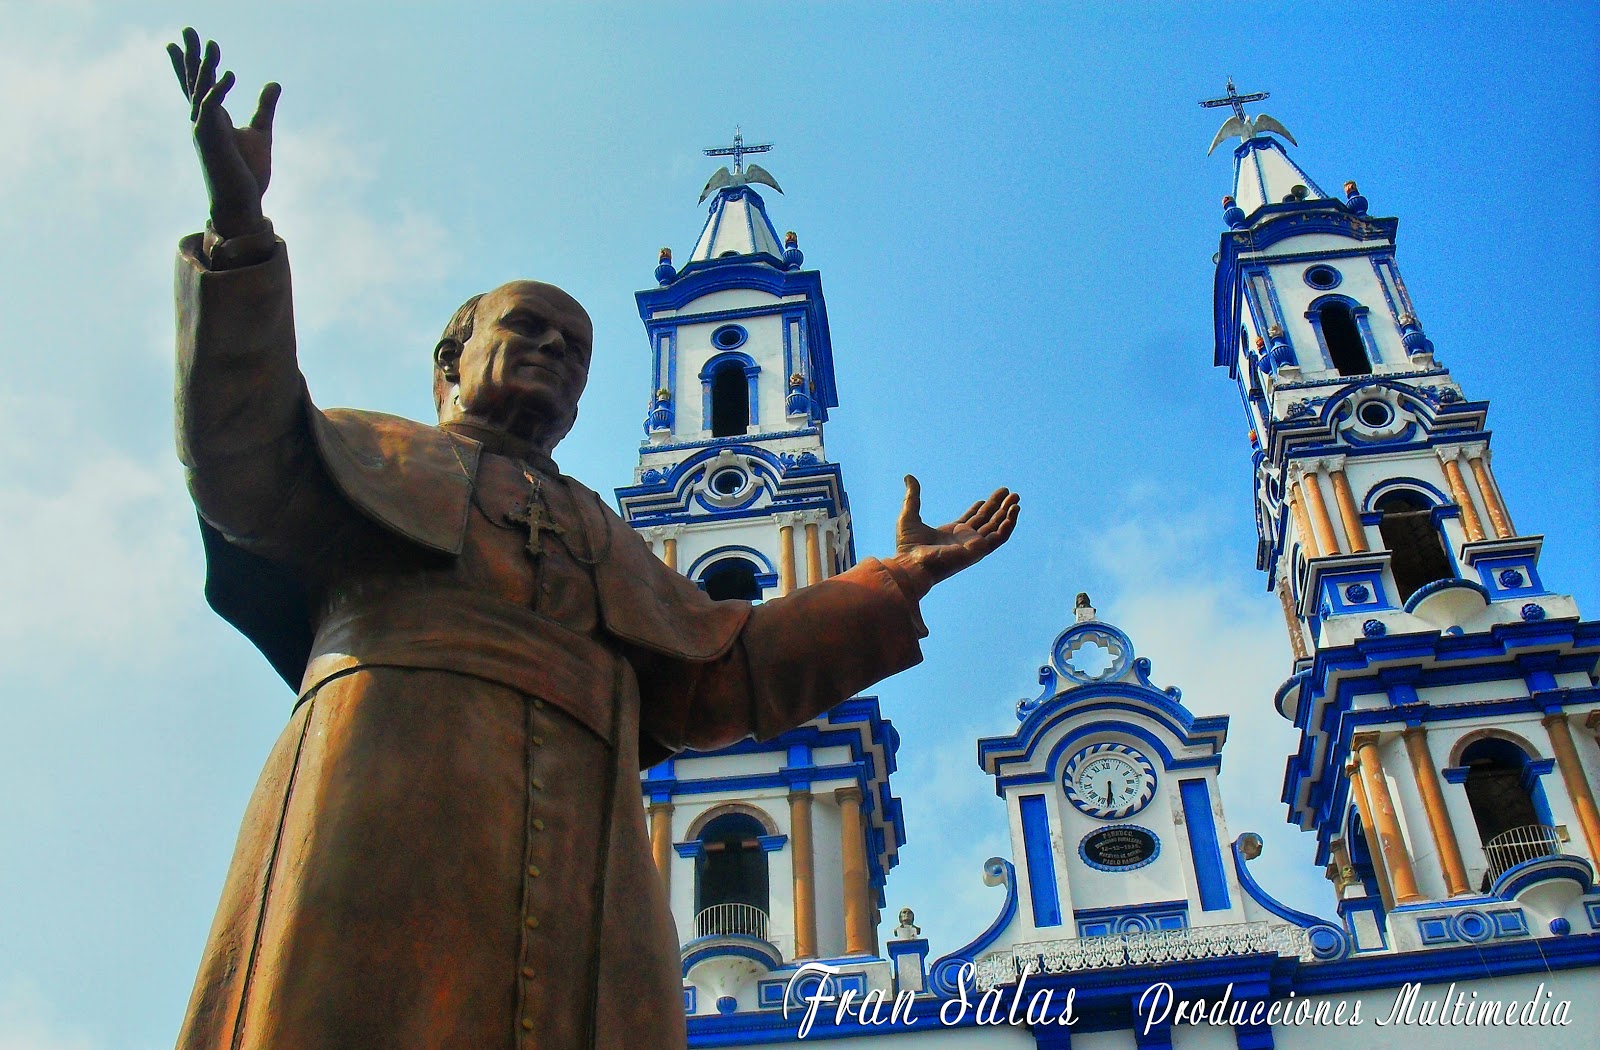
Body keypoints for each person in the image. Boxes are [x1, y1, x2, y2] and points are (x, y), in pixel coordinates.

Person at [166, 29, 1020, 1050]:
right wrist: (240, 238)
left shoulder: (601, 536)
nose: (553, 352)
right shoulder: (373, 455)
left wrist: (896, 580)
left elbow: (725, 672)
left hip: (582, 825)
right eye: (526, 329)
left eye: (574, 348)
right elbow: (241, 451)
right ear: (450, 359)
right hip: (386, 780)